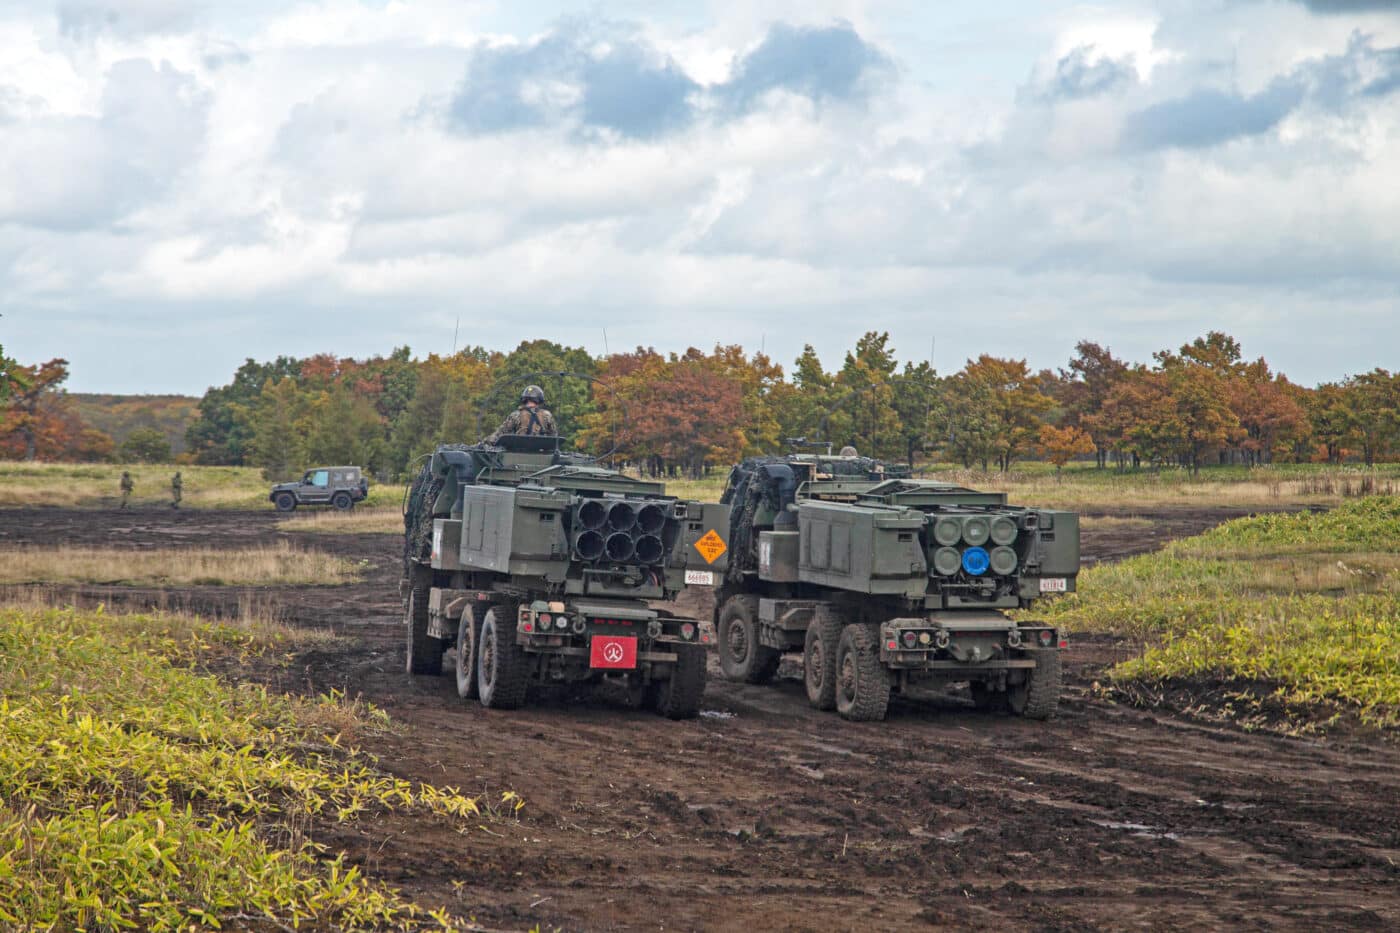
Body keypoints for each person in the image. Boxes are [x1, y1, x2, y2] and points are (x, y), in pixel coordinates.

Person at [487, 385, 557, 443]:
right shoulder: (547, 415)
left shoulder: (516, 415)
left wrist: (483, 443)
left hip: (518, 454)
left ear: (524, 399)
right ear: (540, 399)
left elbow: (499, 434)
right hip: (542, 455)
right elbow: (554, 437)